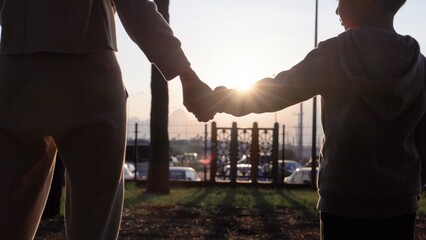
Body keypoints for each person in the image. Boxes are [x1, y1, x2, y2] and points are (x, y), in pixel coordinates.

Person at [211, 0, 426, 239]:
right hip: (400, 203)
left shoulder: (335, 53)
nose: (336, 10)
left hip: (342, 201)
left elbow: (278, 91)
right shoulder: (419, 64)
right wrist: (412, 186)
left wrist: (219, 99)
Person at [0, 0, 214, 239]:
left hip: (16, 74)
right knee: (95, 224)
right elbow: (135, 7)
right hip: (92, 76)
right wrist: (186, 74)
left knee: (7, 217)